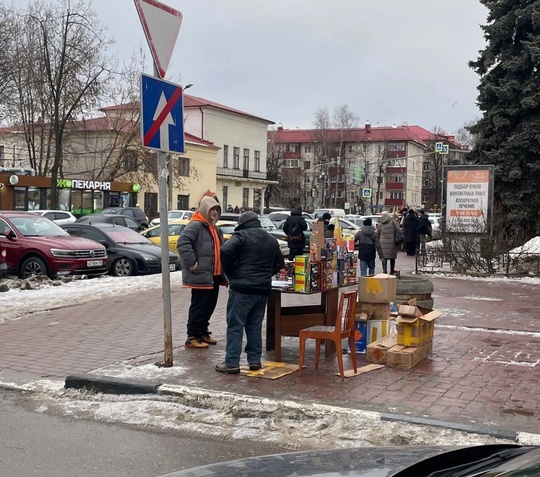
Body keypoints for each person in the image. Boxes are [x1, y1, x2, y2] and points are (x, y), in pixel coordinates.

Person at [216, 211, 285, 374]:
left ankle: (232, 362)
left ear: (242, 224)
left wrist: (231, 273)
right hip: (262, 289)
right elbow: (279, 263)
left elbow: (225, 251)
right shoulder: (271, 239)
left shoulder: (240, 236)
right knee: (254, 325)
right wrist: (266, 274)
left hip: (242, 288)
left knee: (235, 325)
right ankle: (254, 360)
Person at [177, 196, 227, 349]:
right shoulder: (196, 226)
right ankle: (192, 335)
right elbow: (183, 243)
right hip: (201, 274)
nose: (214, 212)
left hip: (214, 275)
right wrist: (192, 263)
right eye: (212, 209)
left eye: (216, 210)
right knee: (199, 306)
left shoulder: (214, 228)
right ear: (205, 209)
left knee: (209, 306)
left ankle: (203, 332)